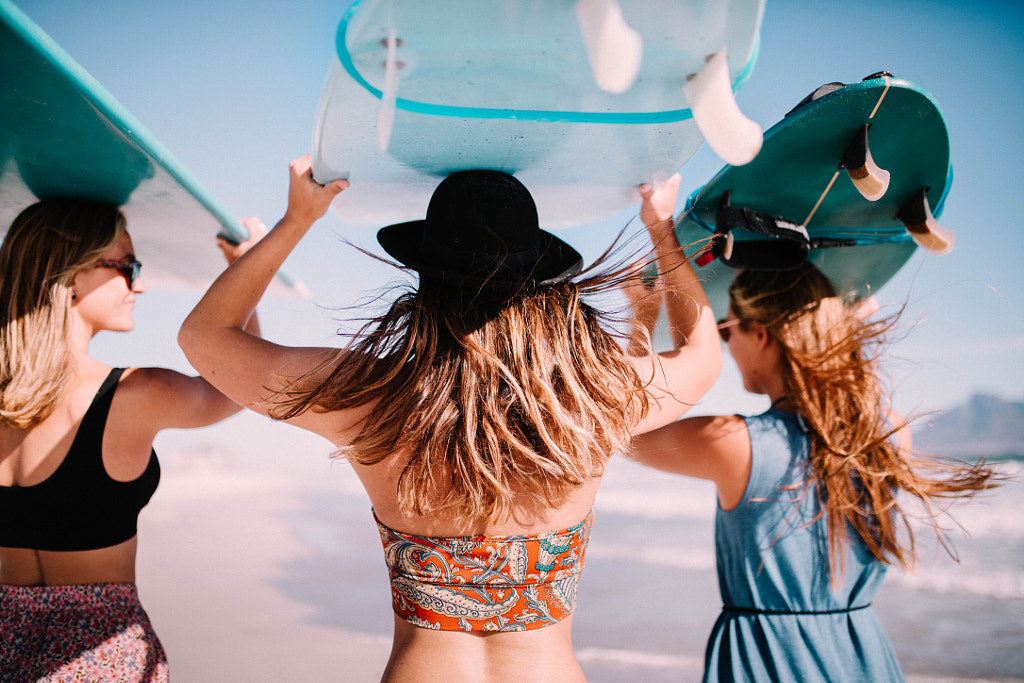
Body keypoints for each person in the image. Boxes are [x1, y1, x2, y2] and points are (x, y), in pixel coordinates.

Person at [177, 155, 721, 681]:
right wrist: (660, 226)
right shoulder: (587, 403)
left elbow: (206, 339)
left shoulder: (370, 398)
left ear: (426, 280)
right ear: (539, 284)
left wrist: (297, 220)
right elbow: (702, 357)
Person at [629, 261, 999, 682]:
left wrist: (643, 311)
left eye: (726, 331)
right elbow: (849, 404)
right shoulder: (890, 432)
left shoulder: (738, 444)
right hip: (862, 657)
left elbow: (622, 426)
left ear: (762, 334)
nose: (726, 344)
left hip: (769, 663)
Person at [0, 199, 263, 682]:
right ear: (72, 274)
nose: (139, 283)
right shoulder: (131, 395)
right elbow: (241, 381)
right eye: (127, 266)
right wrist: (244, 272)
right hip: (96, 659)